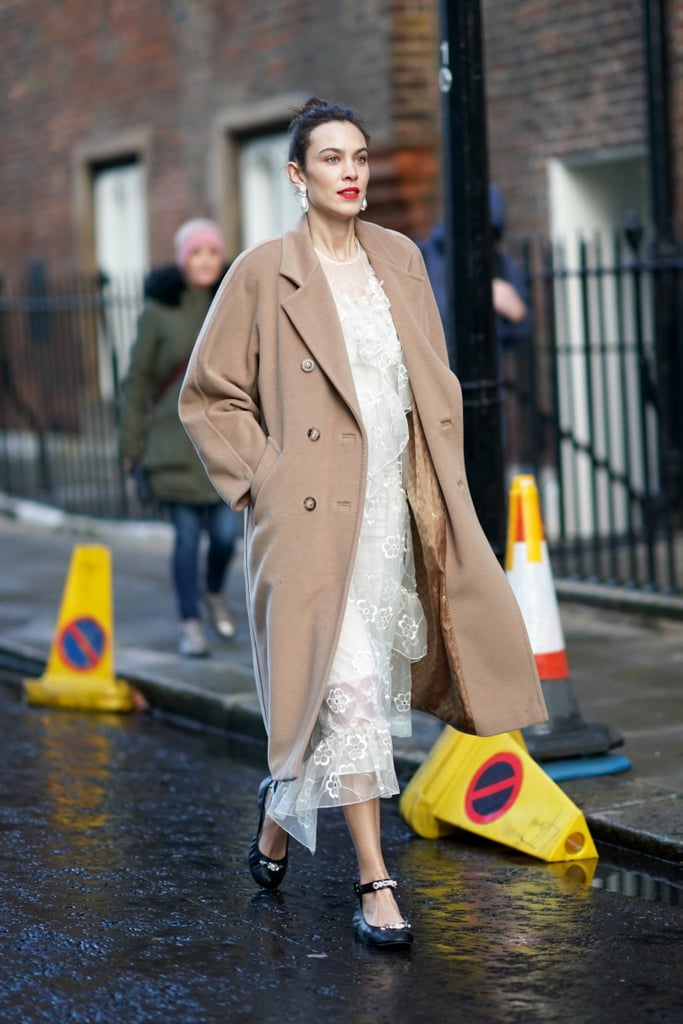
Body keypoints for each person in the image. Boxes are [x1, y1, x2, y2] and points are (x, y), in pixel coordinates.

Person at [179, 99, 547, 948]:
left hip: (391, 504)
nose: (352, 172)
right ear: (296, 175)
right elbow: (209, 396)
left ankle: (279, 813)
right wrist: (265, 479)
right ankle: (374, 879)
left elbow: (429, 374)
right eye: (332, 158)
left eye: (361, 157)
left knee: (364, 692)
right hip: (308, 518)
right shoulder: (260, 272)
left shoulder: (399, 258)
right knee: (342, 685)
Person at [119, 218, 240, 658]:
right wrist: (131, 447)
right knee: (187, 538)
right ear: (182, 259)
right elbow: (137, 383)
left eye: (212, 252)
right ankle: (190, 623)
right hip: (172, 448)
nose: (206, 260)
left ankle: (213, 593)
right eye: (197, 253)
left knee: (227, 535)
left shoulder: (232, 302)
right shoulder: (158, 311)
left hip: (224, 444)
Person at [418, 183, 532, 352]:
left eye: (488, 232)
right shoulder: (423, 256)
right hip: (435, 369)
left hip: (483, 372)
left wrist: (518, 315)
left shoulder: (501, 265)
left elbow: (521, 329)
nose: (477, 238)